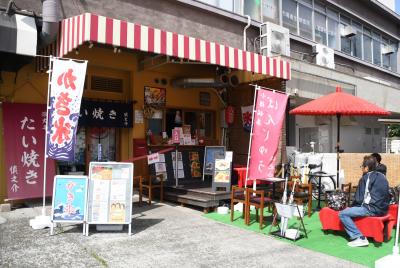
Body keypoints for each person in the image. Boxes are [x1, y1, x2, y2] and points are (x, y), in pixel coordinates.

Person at [338, 156, 390, 247]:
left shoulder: (366, 178)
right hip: (384, 209)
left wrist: (351, 207)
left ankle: (360, 238)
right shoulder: (382, 176)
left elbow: (359, 199)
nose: (361, 168)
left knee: (342, 214)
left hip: (371, 209)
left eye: (362, 166)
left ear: (366, 168)